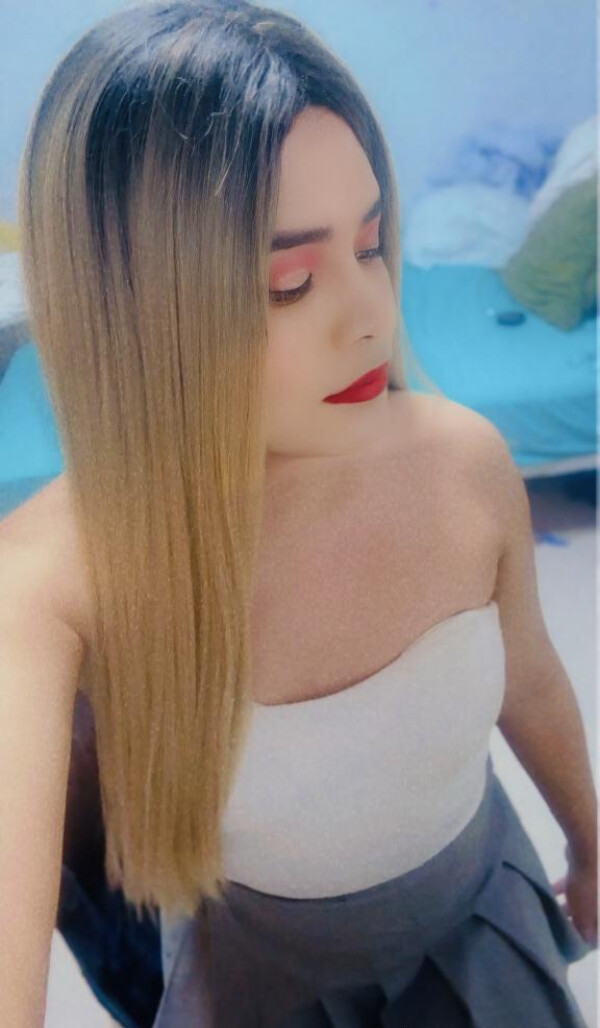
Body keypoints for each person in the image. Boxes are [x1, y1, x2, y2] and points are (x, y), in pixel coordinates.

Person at [8, 0, 596, 1025]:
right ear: (142, 306)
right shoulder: (53, 581)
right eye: (289, 283)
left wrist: (591, 843)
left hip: (482, 922)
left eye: (371, 246)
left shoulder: (463, 458)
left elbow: (532, 672)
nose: (370, 316)